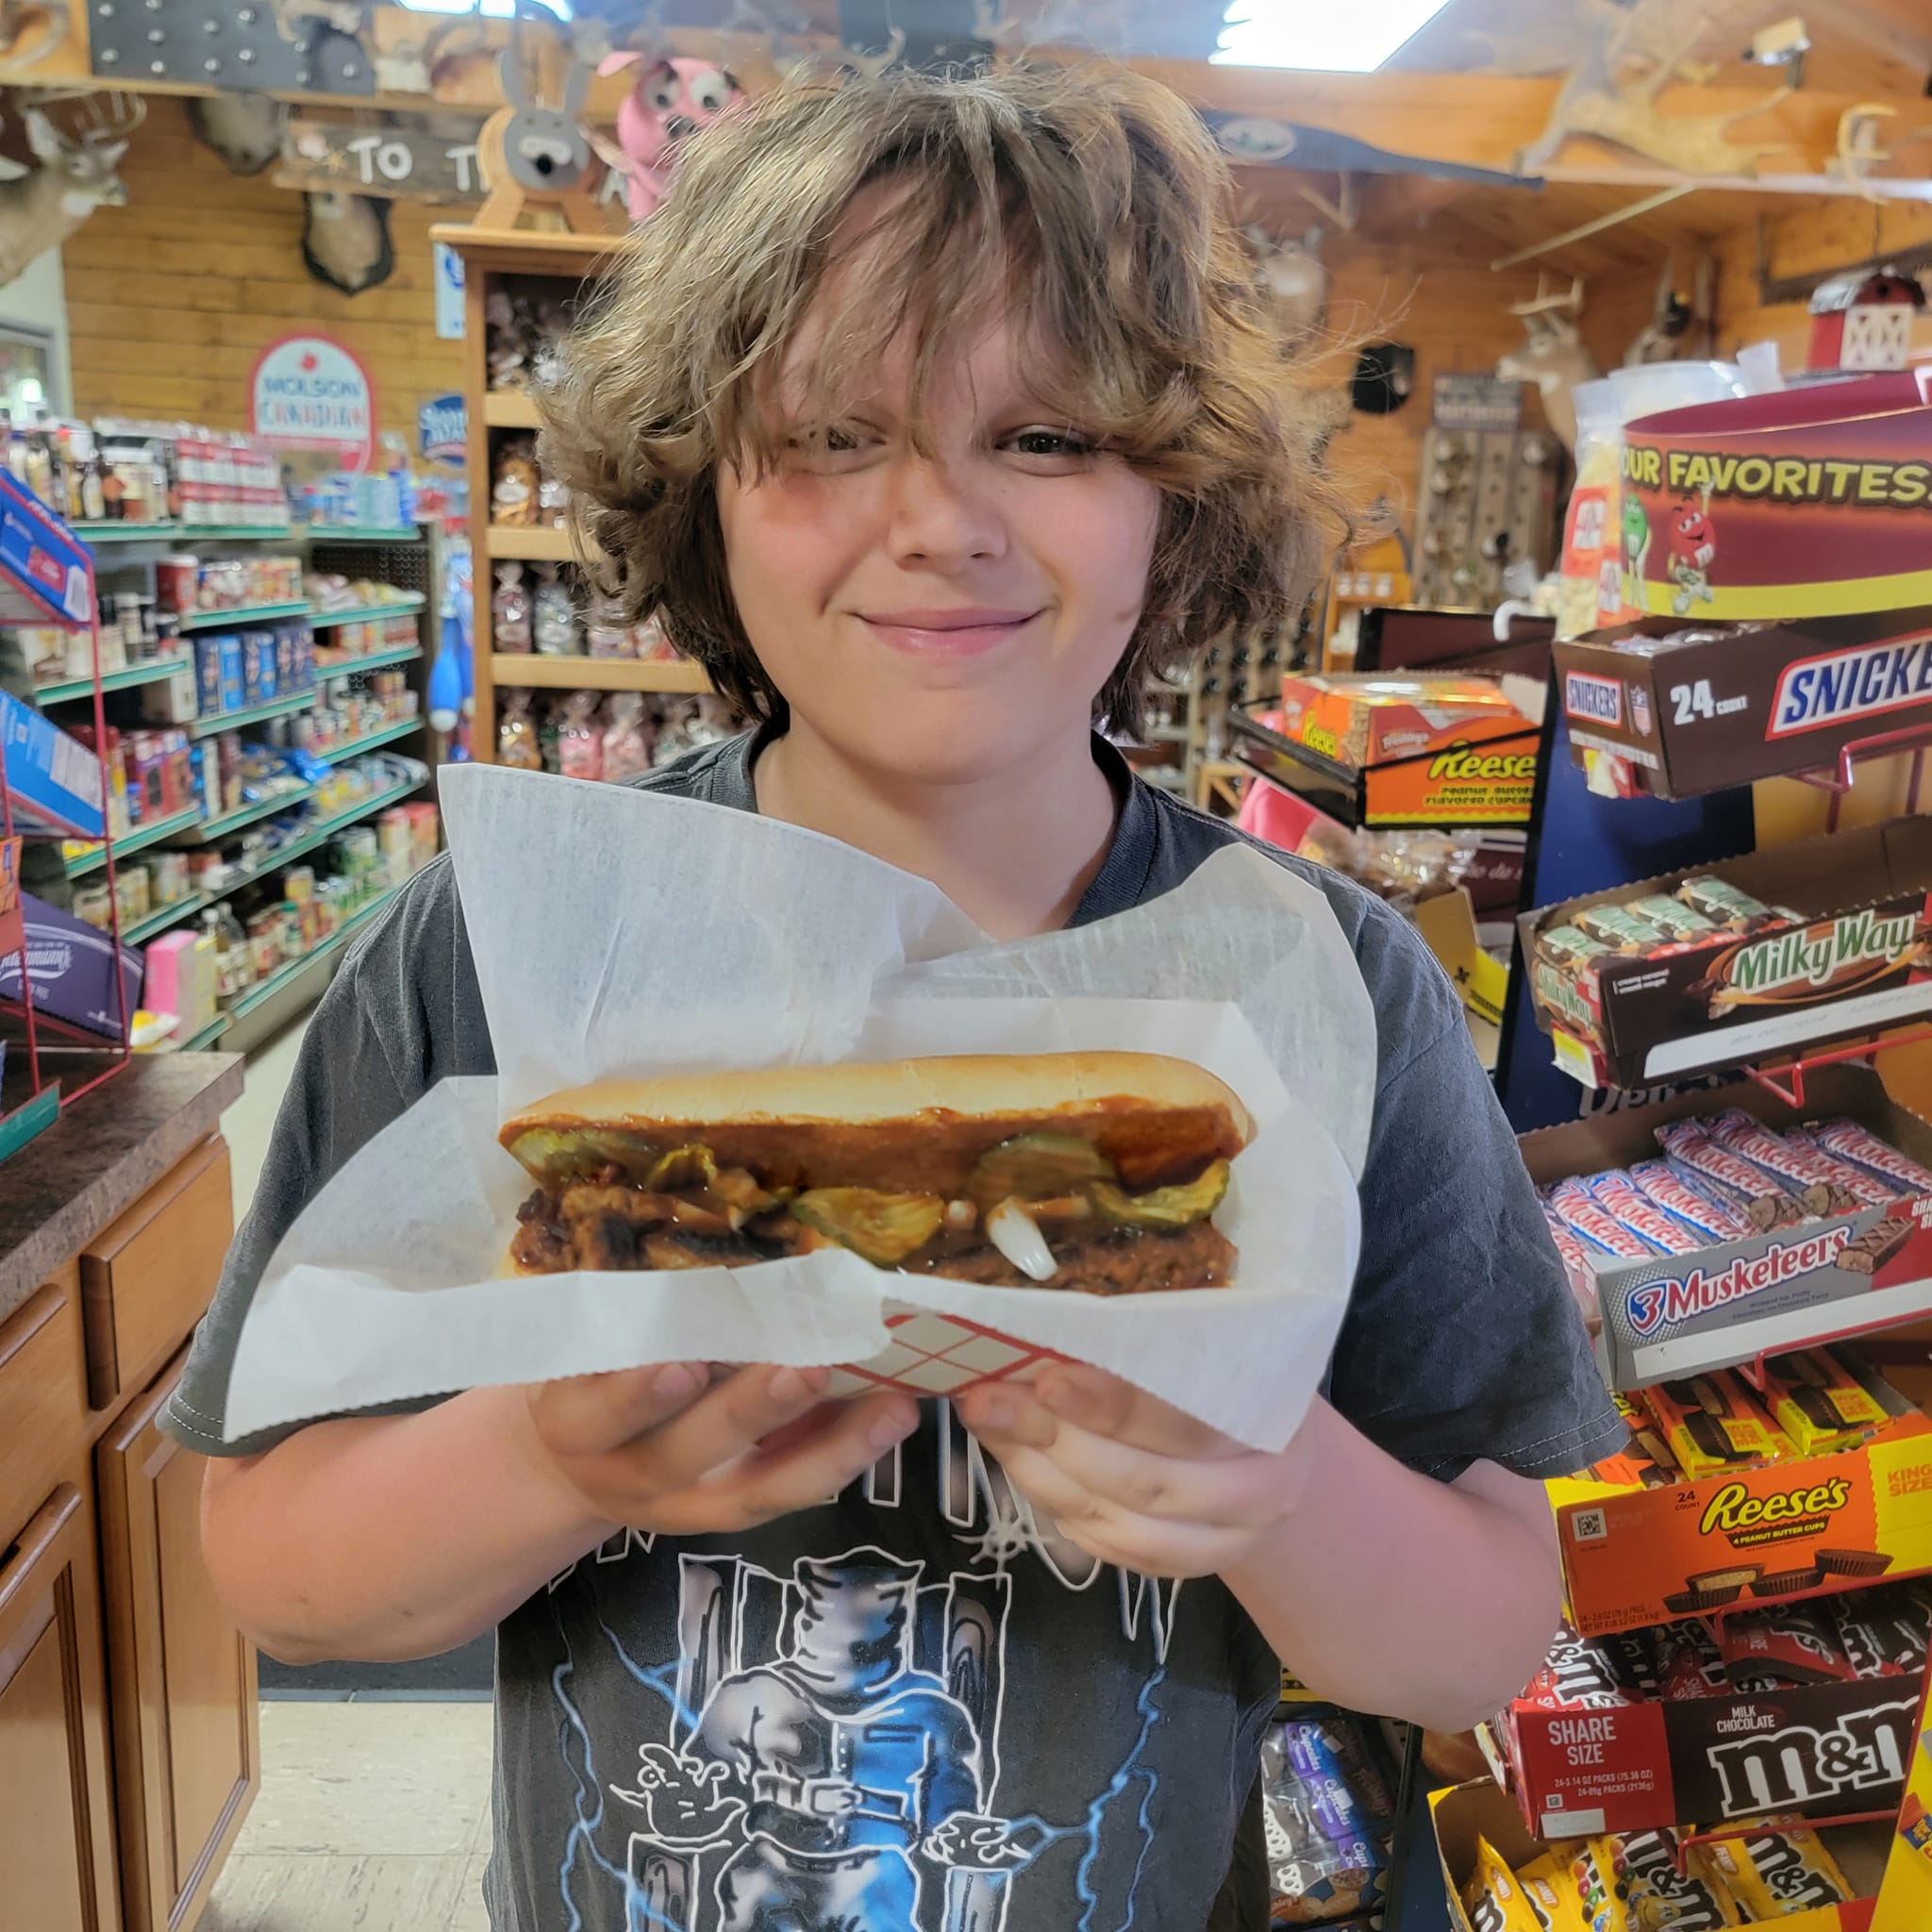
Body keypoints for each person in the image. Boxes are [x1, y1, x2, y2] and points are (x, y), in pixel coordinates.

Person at [173, 62, 1624, 1932]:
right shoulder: (492, 951)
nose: (939, 519)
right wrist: (544, 1450)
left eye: (1040, 436)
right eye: (832, 434)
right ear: (703, 483)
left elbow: (1483, 1636)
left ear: (1171, 491)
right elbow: (277, 1570)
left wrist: (1273, 1492)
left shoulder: (1327, 986)